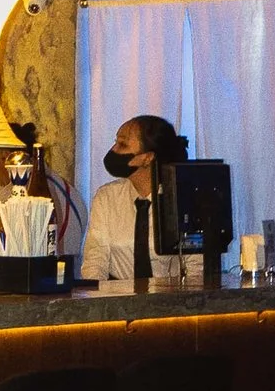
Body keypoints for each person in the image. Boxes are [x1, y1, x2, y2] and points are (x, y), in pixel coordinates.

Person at [82, 115, 204, 289]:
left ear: (148, 157)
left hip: (169, 303)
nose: (114, 150)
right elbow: (95, 260)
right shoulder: (107, 197)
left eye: (122, 145)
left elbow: (196, 268)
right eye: (115, 142)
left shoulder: (181, 199)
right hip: (117, 300)